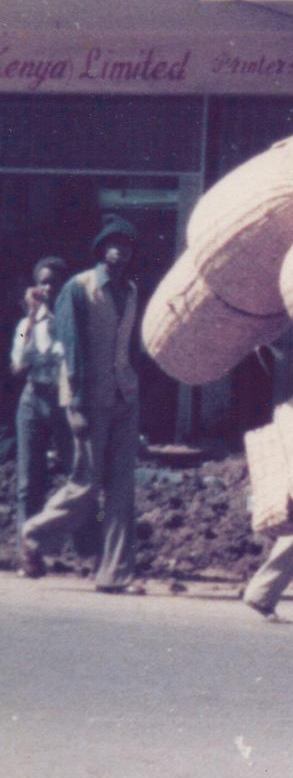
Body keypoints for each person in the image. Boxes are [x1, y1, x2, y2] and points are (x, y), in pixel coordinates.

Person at [19, 216, 143, 592]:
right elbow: (71, 351)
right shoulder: (78, 289)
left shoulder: (132, 290)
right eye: (112, 244)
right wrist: (74, 404)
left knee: (121, 491)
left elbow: (128, 345)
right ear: (101, 250)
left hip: (125, 395)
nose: (118, 250)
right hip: (89, 399)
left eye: (125, 244)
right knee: (86, 483)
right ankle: (34, 532)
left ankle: (114, 574)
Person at [11, 256, 71, 552]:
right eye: (44, 282)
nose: (50, 288)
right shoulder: (26, 324)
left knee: (76, 475)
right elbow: (18, 364)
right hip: (33, 399)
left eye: (55, 282)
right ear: (37, 287)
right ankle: (28, 551)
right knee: (28, 480)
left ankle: (84, 546)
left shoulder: (72, 323)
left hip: (63, 401)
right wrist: (32, 317)